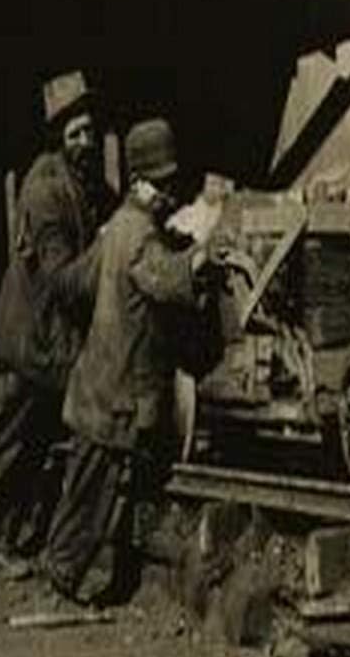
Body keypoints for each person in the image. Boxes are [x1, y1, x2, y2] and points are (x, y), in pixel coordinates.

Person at [34, 116, 216, 607]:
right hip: (114, 392)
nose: (168, 193)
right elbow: (160, 278)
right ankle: (59, 583)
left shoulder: (116, 226)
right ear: (138, 180)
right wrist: (200, 256)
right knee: (91, 494)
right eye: (161, 184)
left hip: (96, 383)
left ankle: (66, 574)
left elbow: (82, 283)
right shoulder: (137, 234)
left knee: (88, 485)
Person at [0, 71, 110, 577]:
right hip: (25, 342)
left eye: (90, 131)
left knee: (31, 450)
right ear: (59, 134)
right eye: (76, 132)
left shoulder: (84, 185)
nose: (87, 141)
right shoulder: (45, 190)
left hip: (53, 347)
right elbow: (62, 279)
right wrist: (114, 250)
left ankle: (2, 541)